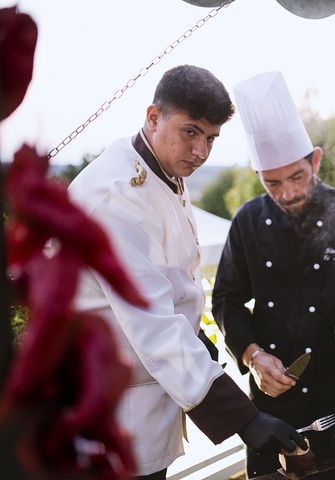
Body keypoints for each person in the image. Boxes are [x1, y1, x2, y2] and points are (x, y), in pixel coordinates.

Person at [68, 65, 305, 480]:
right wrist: (244, 419)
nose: (201, 152)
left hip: (140, 405)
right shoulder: (117, 195)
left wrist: (196, 337)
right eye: (191, 132)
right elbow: (152, 322)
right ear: (153, 117)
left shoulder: (163, 172)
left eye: (211, 138)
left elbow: (168, 279)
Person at [212, 71, 335, 478]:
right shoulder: (248, 222)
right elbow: (226, 301)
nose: (286, 193)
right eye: (272, 183)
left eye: (297, 176)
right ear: (258, 177)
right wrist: (252, 356)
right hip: (270, 410)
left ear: (315, 160)